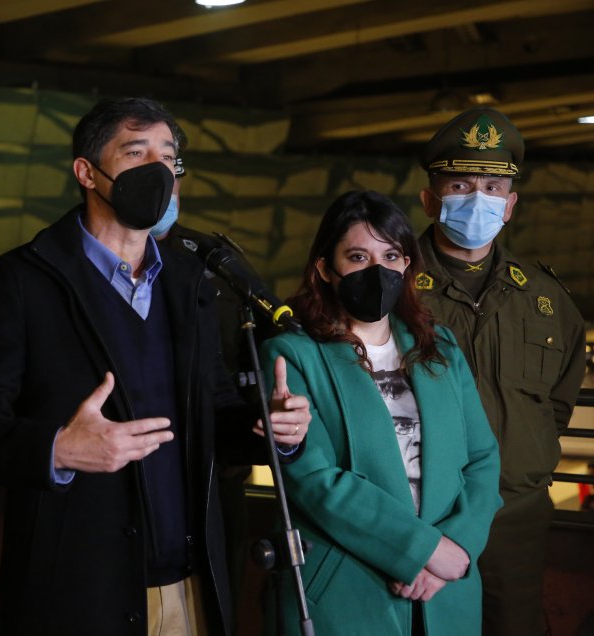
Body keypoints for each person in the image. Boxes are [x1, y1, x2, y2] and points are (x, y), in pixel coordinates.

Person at [0, 97, 311, 636]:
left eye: (168, 157)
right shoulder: (22, 281)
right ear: (87, 172)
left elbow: (216, 414)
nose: (157, 171)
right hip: (78, 592)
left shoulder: (190, 282)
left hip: (189, 586)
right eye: (137, 154)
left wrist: (270, 429)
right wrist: (58, 447)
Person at [260, 190, 502, 635]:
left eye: (391, 254)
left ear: (407, 263)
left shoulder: (440, 347)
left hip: (447, 589)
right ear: (325, 269)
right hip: (349, 591)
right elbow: (314, 480)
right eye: (357, 255)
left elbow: (483, 459)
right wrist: (422, 550)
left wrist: (458, 548)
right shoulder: (293, 356)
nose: (378, 269)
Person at [415, 107, 587, 636]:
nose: (478, 199)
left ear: (510, 206)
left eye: (492, 187)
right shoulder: (391, 288)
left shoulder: (544, 296)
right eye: (461, 184)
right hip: (423, 512)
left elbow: (556, 403)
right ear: (430, 199)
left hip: (516, 515)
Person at [150, 156, 272, 636]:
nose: (165, 184)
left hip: (218, 477)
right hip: (139, 478)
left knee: (215, 609)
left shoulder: (215, 262)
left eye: (171, 170)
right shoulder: (80, 263)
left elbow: (252, 362)